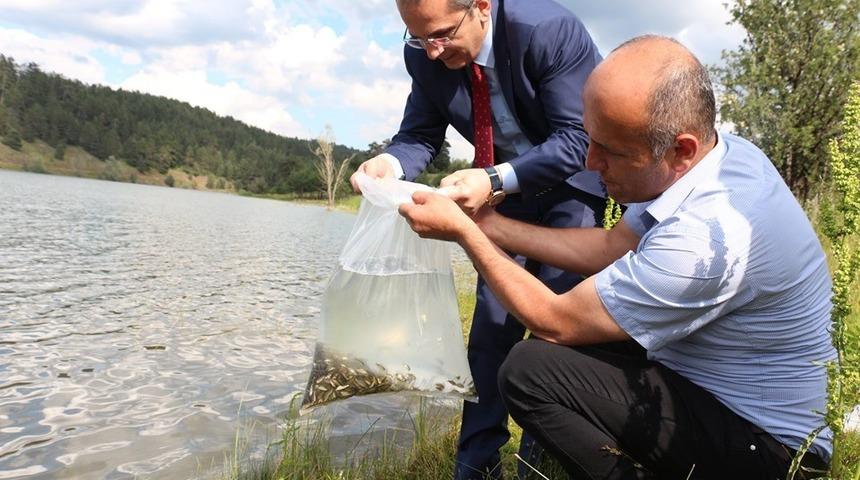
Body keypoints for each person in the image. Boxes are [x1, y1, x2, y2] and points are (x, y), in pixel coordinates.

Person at [398, 35, 835, 479]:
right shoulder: (719, 158)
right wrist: (491, 224)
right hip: (712, 395)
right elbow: (610, 248)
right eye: (590, 139)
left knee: (530, 372)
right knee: (589, 324)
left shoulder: (705, 242)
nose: (590, 162)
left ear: (680, 150)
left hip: (771, 453)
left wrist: (467, 235)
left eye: (611, 150)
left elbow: (554, 320)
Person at [350, 0, 605, 477]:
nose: (431, 51)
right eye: (418, 38)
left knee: (556, 332)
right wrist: (391, 164)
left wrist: (491, 178)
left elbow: (578, 137)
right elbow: (420, 134)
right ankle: (475, 464)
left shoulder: (548, 31)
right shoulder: (425, 53)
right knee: (490, 330)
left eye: (442, 34)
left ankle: (540, 461)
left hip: (572, 189)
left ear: (481, 7)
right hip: (502, 199)